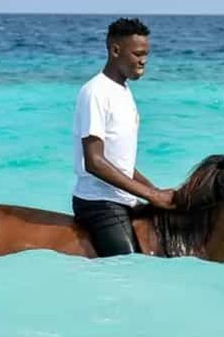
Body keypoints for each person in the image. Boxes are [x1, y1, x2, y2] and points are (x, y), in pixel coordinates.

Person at [72, 17, 176, 257]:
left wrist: (158, 192)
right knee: (129, 268)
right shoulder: (95, 92)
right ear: (115, 50)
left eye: (146, 54)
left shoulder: (124, 91)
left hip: (125, 199)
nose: (144, 60)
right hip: (98, 203)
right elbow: (95, 161)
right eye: (137, 54)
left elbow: (122, 164)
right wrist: (151, 195)